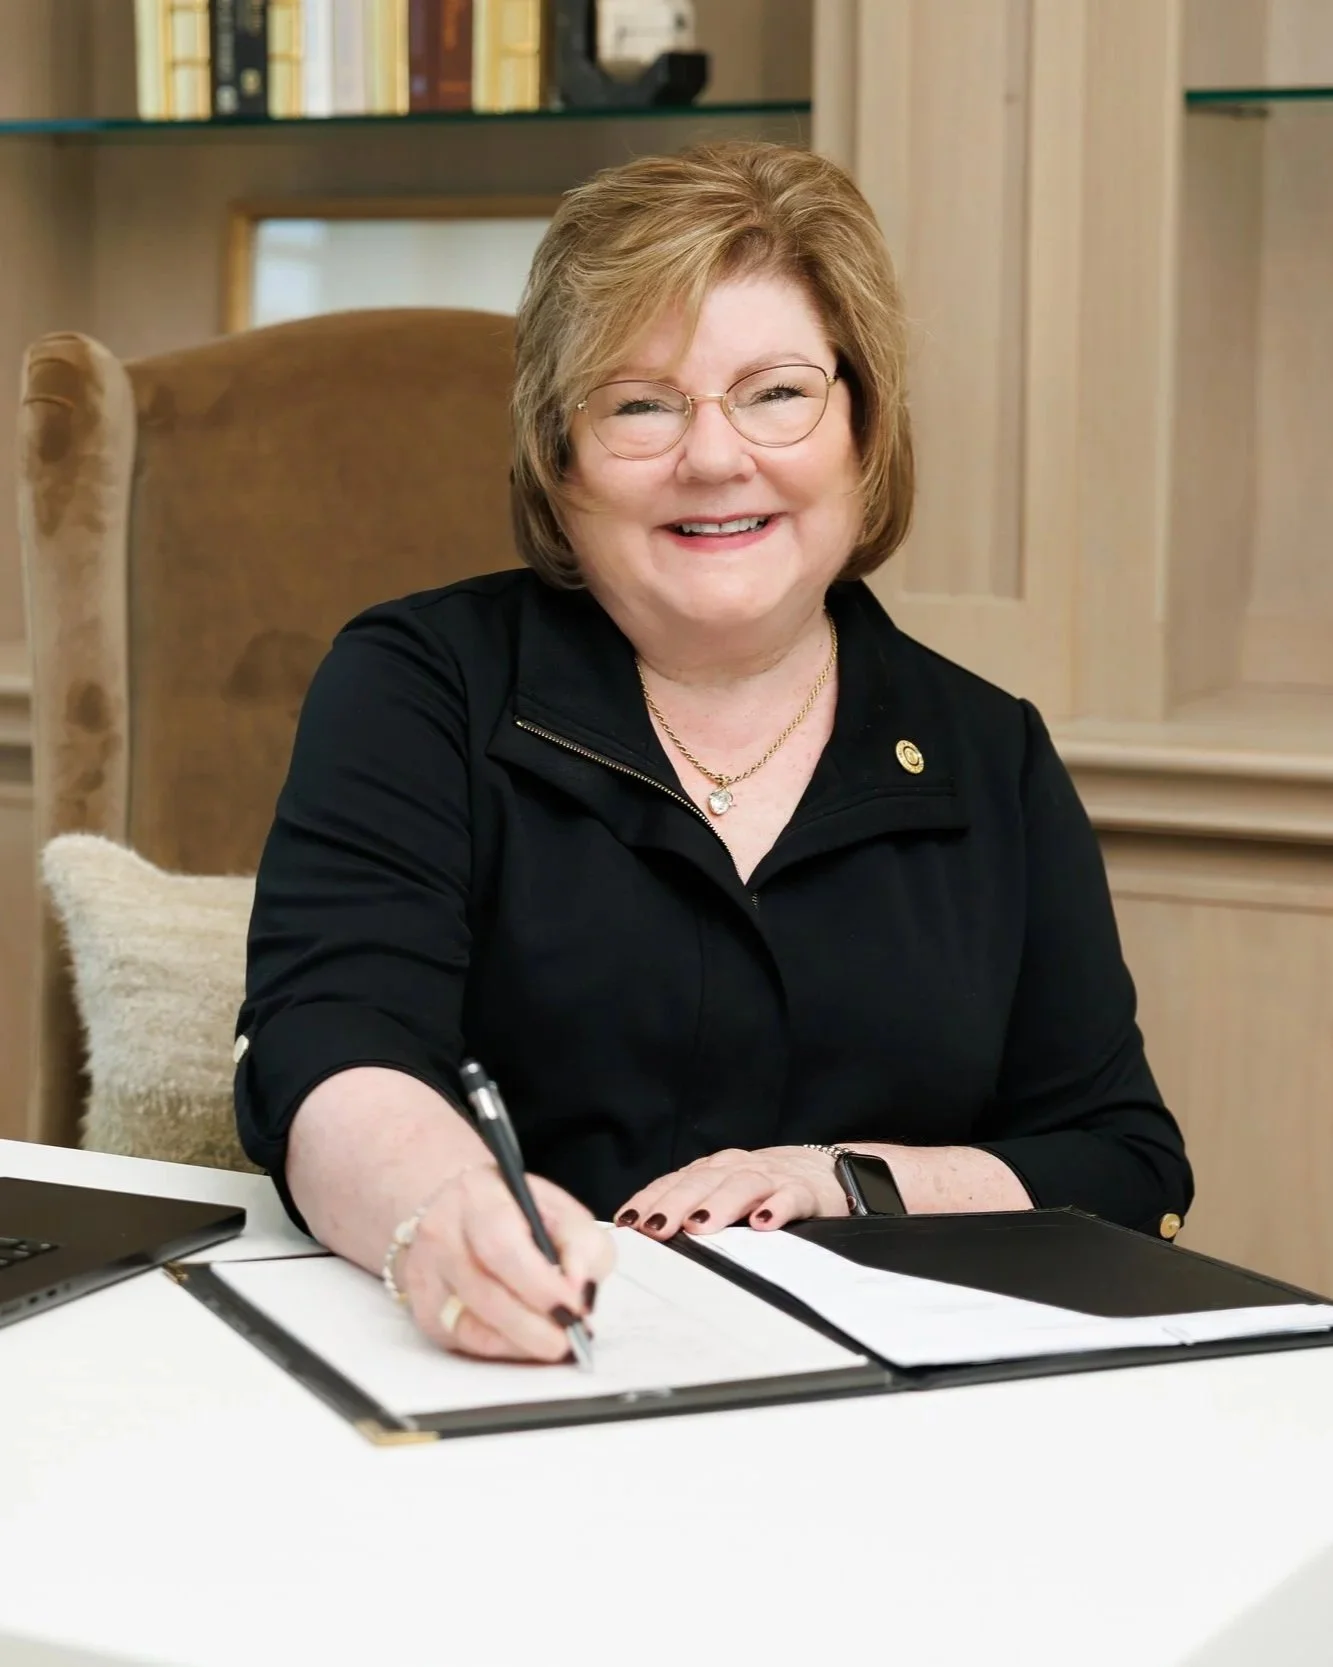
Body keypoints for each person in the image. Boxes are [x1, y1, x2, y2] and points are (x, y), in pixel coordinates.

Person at [235, 139, 1192, 1366]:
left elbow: (1119, 1158)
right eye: (639, 402)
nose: (713, 456)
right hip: (506, 1373)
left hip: (900, 1423)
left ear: (862, 424)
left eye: (775, 391)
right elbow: (330, 1044)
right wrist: (441, 1214)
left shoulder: (984, 749)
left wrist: (837, 1177)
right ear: (558, 456)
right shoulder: (421, 683)